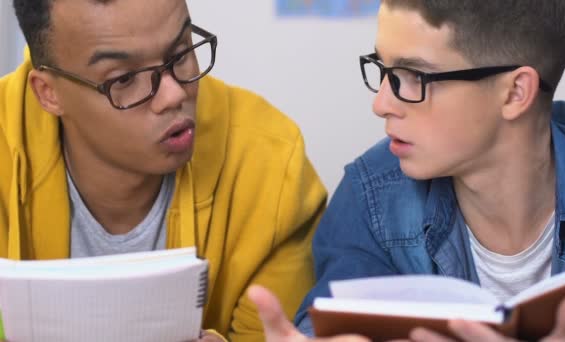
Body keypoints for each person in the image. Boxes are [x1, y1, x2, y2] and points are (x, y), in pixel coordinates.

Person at [249, 0, 565, 341]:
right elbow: (328, 326)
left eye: (414, 76)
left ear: (515, 92)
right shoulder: (371, 195)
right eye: (384, 69)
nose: (381, 104)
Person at [0, 0, 327, 341]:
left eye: (181, 53)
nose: (173, 94)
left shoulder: (270, 168)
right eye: (124, 78)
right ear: (49, 93)